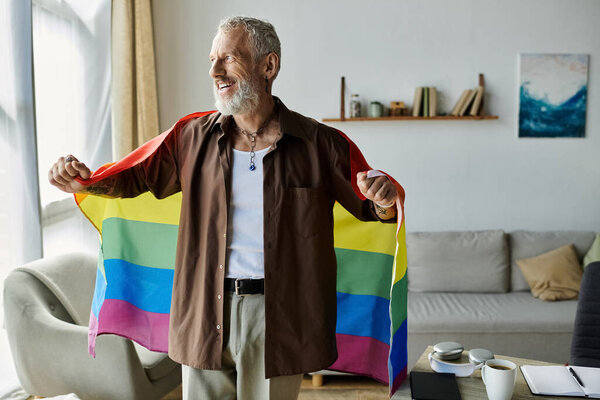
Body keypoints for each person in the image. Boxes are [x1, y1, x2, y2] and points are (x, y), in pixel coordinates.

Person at [48, 16, 399, 400]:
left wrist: (383, 201)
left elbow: (375, 208)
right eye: (212, 59)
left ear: (269, 65)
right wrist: (85, 180)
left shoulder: (321, 144)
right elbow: (134, 177)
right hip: (202, 309)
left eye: (229, 58)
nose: (215, 70)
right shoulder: (189, 138)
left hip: (280, 318)